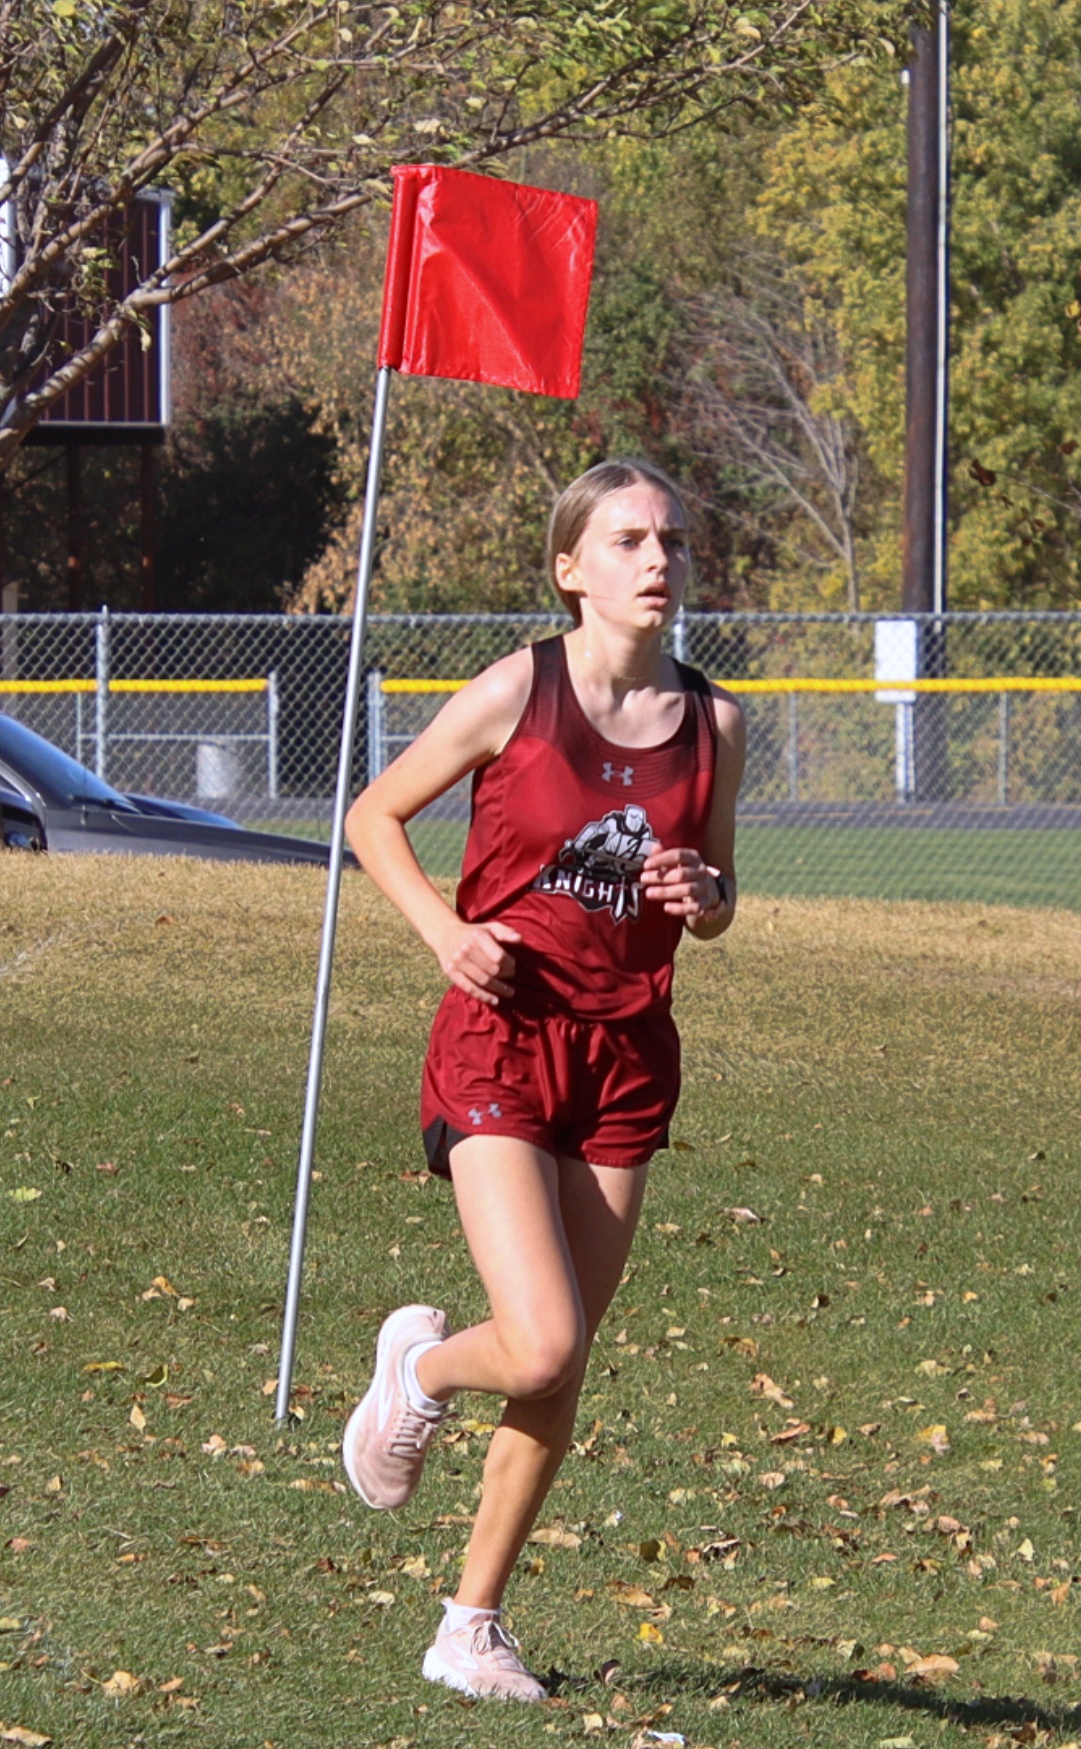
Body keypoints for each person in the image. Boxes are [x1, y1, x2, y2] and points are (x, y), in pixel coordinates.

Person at [342, 457, 746, 1702]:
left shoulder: (716, 723)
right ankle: (414, 1373)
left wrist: (706, 896)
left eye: (671, 540)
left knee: (561, 1364)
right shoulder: (518, 688)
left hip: (627, 1057)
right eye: (629, 541)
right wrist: (443, 932)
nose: (658, 562)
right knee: (542, 1336)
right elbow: (372, 818)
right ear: (572, 569)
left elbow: (720, 900)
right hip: (503, 1037)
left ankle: (470, 1625)